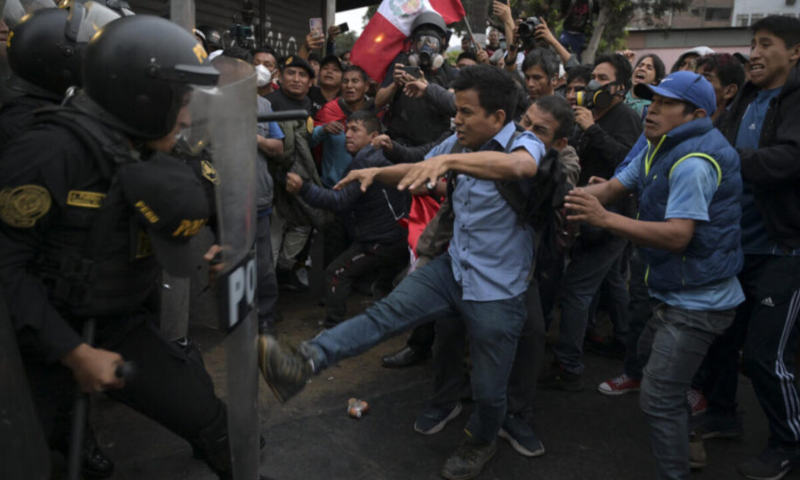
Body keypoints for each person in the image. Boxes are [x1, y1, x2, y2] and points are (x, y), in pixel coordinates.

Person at [0, 15, 270, 480]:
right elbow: (6, 268)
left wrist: (227, 244)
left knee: (212, 419)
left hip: (120, 323)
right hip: (37, 333)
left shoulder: (153, 145)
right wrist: (72, 352)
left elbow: (211, 197)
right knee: (27, 456)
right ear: (143, 97)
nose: (188, 116)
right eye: (181, 100)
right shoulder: (48, 153)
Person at [258, 65, 545, 480]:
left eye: (465, 112)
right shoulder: (456, 142)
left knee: (488, 389)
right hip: (452, 267)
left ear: (498, 118)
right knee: (383, 315)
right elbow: (420, 170)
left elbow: (521, 169)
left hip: (498, 291)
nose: (456, 120)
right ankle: (301, 364)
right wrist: (375, 172)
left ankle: (481, 440)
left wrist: (449, 160)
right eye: (456, 111)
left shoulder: (526, 142)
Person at [566, 69, 744, 480]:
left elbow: (678, 236)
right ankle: (690, 436)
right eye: (652, 101)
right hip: (673, 292)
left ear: (696, 114)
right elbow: (611, 189)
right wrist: (560, 198)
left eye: (665, 104)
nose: (652, 110)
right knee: (649, 363)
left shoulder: (694, 162)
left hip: (698, 302)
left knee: (659, 397)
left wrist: (604, 219)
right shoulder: (659, 146)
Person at [695, 16, 800, 480]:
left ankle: (788, 443)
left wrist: (726, 160)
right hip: (739, 248)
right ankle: (721, 414)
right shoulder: (747, 100)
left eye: (766, 44)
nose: (754, 53)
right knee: (720, 338)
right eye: (752, 43)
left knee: (764, 354)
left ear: (794, 53)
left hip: (786, 250)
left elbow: (787, 160)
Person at [539, 53, 641, 391]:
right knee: (612, 281)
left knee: (576, 289)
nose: (593, 83)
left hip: (611, 218)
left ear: (620, 88)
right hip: (588, 215)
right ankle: (624, 341)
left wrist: (591, 129)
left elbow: (627, 162)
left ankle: (568, 364)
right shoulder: (590, 113)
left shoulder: (623, 117)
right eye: (592, 76)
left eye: (602, 77)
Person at [286, 111, 409, 328]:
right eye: (347, 129)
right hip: (394, 235)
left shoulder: (366, 163)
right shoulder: (372, 157)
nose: (348, 135)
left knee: (337, 273)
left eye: (355, 130)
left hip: (381, 240)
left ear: (374, 137)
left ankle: (333, 330)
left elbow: (339, 200)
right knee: (383, 284)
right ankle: (386, 325)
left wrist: (303, 188)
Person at [376, 11, 458, 147]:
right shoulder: (402, 64)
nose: (426, 47)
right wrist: (395, 85)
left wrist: (426, 87)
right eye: (421, 41)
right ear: (413, 44)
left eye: (431, 42)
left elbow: (452, 105)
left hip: (435, 144)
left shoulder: (449, 72)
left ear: (441, 44)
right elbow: (379, 101)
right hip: (401, 142)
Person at [694, 53, 746, 125]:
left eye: (706, 80)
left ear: (729, 91)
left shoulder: (736, 131)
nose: (694, 85)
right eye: (695, 79)